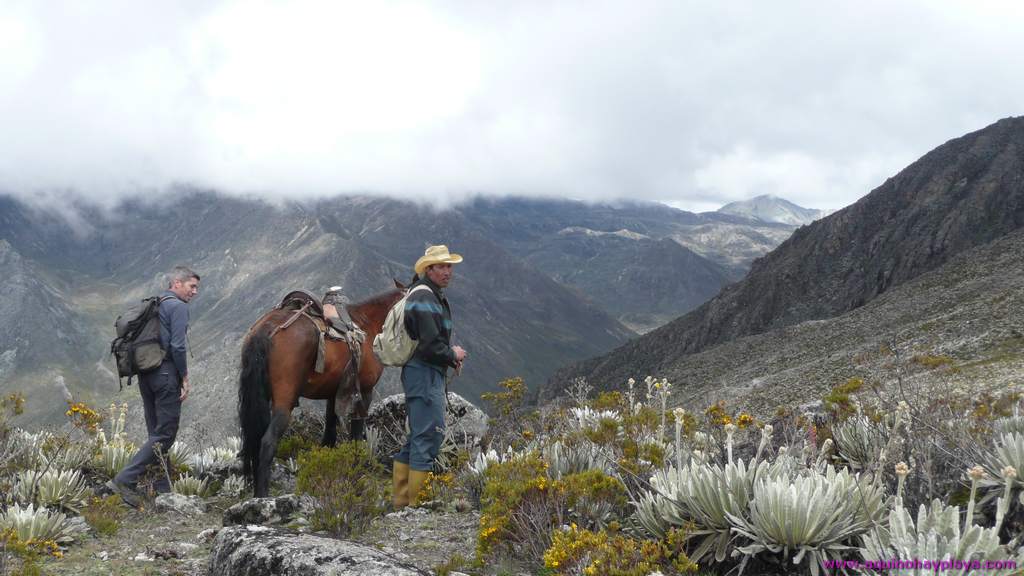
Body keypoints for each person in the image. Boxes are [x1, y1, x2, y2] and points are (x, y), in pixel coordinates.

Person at [108, 266, 199, 506]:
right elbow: (178, 347)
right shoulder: (178, 307)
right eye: (192, 286)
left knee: (156, 433)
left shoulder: (156, 304)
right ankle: (123, 481)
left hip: (146, 375)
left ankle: (162, 488)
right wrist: (185, 377)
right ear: (176, 283)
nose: (195, 292)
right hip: (166, 374)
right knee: (165, 433)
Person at [392, 245, 467, 509]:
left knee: (418, 435)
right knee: (429, 434)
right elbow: (429, 346)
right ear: (428, 269)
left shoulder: (428, 294)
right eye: (442, 266)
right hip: (424, 373)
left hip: (422, 372)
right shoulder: (425, 297)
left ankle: (402, 503)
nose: (448, 272)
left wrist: (448, 355)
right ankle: (415, 507)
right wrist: (452, 354)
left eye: (450, 266)